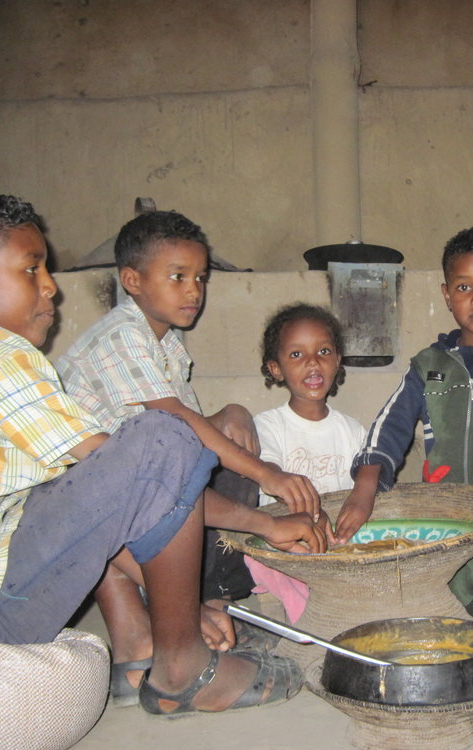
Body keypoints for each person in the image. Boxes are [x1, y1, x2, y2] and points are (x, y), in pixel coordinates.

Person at [0, 190, 320, 718]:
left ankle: (139, 650)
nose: (50, 288)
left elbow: (93, 501)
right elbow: (146, 477)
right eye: (31, 269)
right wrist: (260, 524)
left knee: (80, 483)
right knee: (166, 438)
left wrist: (179, 601)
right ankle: (182, 665)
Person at [56, 210, 325, 704]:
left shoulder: (169, 347)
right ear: (131, 281)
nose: (193, 290)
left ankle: (140, 653)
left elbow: (191, 451)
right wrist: (268, 478)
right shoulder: (121, 337)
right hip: (76, 515)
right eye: (177, 277)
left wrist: (233, 412)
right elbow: (173, 443)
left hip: (111, 500)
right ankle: (193, 626)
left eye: (200, 277)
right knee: (216, 460)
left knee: (228, 436)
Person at [338, 225, 473, 631]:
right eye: (464, 287)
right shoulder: (428, 364)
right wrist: (366, 481)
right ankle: (465, 594)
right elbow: (391, 422)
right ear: (446, 295)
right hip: (446, 506)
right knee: (431, 583)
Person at [248, 303, 366, 621]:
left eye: (324, 351)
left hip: (334, 545)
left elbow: (362, 493)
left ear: (338, 362)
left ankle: (330, 599)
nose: (313, 363)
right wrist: (311, 514)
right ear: (276, 369)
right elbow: (270, 475)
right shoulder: (268, 425)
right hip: (286, 541)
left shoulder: (352, 430)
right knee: (258, 557)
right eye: (297, 355)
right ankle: (308, 613)